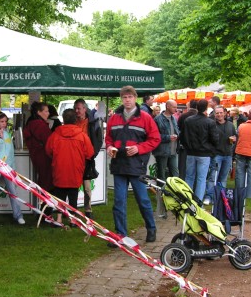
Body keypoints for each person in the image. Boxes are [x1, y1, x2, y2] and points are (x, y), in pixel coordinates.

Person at [105, 86, 161, 243]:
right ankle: (121, 234)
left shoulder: (145, 117)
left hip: (137, 164)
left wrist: (139, 148)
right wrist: (109, 147)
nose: (127, 100)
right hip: (119, 164)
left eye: (130, 97)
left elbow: (155, 139)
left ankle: (151, 228)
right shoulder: (114, 118)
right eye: (124, 97)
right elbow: (108, 137)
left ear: (135, 98)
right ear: (121, 99)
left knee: (142, 199)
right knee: (119, 201)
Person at [45, 109, 94, 224]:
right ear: (75, 119)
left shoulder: (55, 135)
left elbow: (48, 150)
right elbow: (90, 153)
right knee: (73, 195)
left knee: (59, 195)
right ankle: (73, 219)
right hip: (75, 169)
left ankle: (59, 218)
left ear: (63, 119)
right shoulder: (82, 135)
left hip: (59, 168)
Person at [0, 112, 25, 226]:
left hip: (8, 167)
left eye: (6, 121)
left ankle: (18, 215)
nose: (4, 124)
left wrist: (12, 167)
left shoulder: (8, 134)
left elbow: (10, 153)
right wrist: (0, 139)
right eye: (2, 121)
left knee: (13, 192)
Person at [182, 99, 219, 201]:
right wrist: (211, 149)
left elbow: (184, 136)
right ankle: (198, 201)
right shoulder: (209, 122)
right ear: (206, 108)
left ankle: (187, 199)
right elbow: (215, 139)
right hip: (203, 153)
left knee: (189, 177)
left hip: (191, 152)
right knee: (201, 179)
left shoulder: (189, 120)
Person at [74, 98, 103, 218]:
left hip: (87, 158)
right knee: (73, 186)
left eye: (79, 109)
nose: (77, 111)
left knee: (87, 187)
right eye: (75, 109)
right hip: (74, 158)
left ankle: (88, 210)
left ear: (85, 109)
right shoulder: (72, 121)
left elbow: (99, 139)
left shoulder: (93, 121)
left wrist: (92, 154)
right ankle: (72, 209)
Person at [152, 100, 179, 217]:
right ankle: (161, 203)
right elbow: (154, 136)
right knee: (161, 176)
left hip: (173, 151)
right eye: (174, 107)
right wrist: (168, 137)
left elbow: (176, 131)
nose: (176, 109)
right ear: (167, 106)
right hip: (162, 152)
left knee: (175, 175)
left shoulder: (174, 118)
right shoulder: (158, 119)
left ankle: (175, 200)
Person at [23, 102, 53, 194]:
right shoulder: (40, 125)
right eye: (46, 111)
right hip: (43, 155)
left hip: (37, 154)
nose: (48, 113)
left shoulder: (32, 123)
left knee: (42, 179)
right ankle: (45, 204)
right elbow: (49, 141)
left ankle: (42, 203)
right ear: (39, 112)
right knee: (46, 181)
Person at [207, 106, 237, 198]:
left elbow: (235, 136)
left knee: (223, 178)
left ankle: (221, 197)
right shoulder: (212, 125)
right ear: (214, 114)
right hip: (216, 154)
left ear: (225, 113)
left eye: (221, 112)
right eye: (217, 113)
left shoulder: (230, 125)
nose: (219, 115)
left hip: (228, 155)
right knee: (213, 177)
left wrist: (234, 139)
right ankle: (210, 196)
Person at [177, 99, 198, 179]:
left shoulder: (183, 116)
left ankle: (182, 181)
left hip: (184, 144)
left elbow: (178, 128)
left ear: (189, 106)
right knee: (194, 167)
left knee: (183, 166)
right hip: (196, 146)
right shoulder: (201, 117)